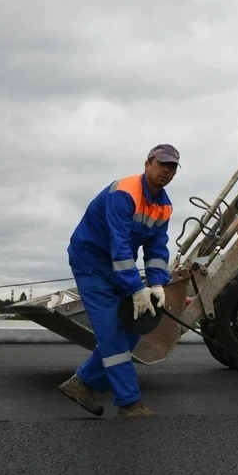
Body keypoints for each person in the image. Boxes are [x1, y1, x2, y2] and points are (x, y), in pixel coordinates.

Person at [58, 144, 179, 418]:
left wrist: (157, 284)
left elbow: (157, 248)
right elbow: (120, 244)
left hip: (117, 266)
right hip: (90, 262)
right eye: (162, 164)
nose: (166, 171)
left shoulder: (164, 206)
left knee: (134, 325)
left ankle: (82, 384)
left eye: (172, 167)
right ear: (147, 164)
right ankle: (129, 403)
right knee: (112, 333)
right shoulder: (124, 193)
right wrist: (136, 288)